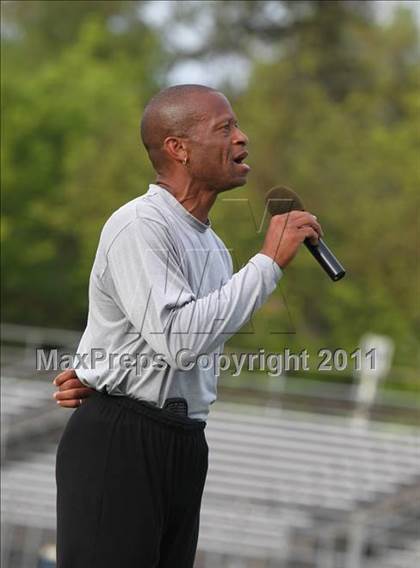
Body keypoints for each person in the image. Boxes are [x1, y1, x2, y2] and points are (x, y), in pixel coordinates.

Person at [53, 84, 321, 567]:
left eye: (237, 127)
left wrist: (97, 371)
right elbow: (181, 340)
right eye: (225, 128)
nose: (242, 139)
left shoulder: (214, 248)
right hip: (123, 441)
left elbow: (154, 337)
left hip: (183, 441)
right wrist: (268, 263)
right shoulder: (140, 224)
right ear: (178, 148)